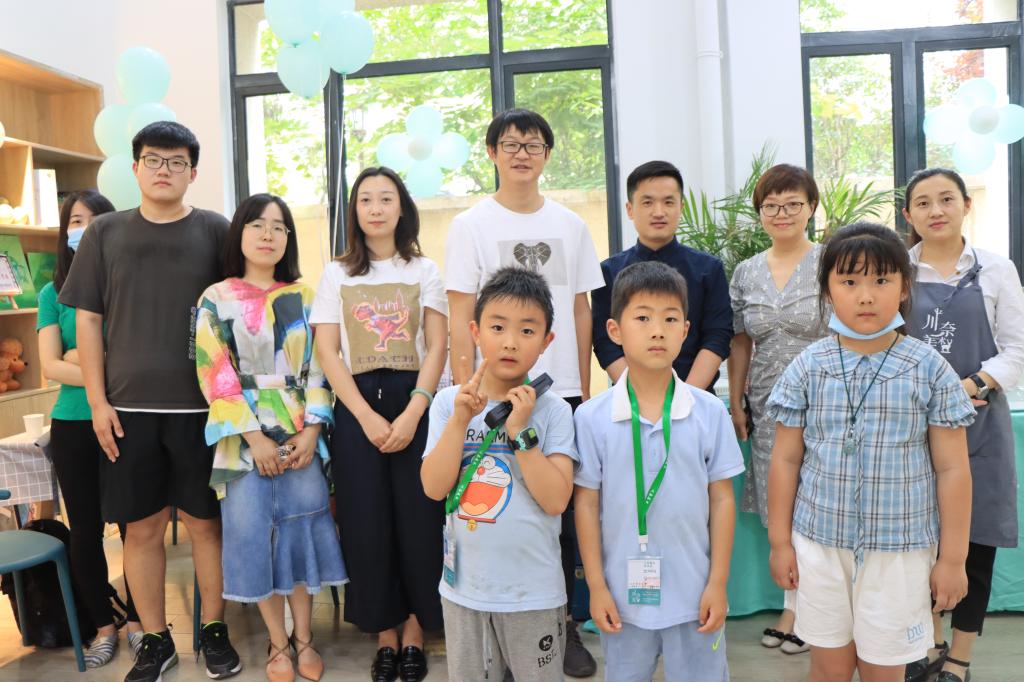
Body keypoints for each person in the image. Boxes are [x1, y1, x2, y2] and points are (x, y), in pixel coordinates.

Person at [59, 121, 242, 682]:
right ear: (135, 167)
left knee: (205, 526)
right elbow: (88, 321)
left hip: (203, 411)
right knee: (140, 529)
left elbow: (238, 310)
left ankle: (213, 631)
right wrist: (98, 402)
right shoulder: (105, 233)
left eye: (177, 161)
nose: (165, 170)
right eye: (154, 160)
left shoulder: (215, 230)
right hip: (128, 412)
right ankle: (156, 642)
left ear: (193, 171)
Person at [766, 222, 975, 682]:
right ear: (827, 291)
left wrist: (953, 559)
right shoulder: (808, 366)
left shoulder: (929, 369)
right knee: (829, 669)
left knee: (884, 671)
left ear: (904, 287)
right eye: (849, 281)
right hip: (819, 543)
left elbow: (952, 469)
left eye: (881, 280)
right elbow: (785, 460)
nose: (865, 296)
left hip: (899, 549)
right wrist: (780, 542)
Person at [444, 108, 603, 677]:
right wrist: (469, 388)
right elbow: (461, 310)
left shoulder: (571, 224)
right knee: (491, 502)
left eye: (533, 144)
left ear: (547, 155)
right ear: (492, 153)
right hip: (489, 393)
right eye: (510, 144)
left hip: (556, 392)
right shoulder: (470, 224)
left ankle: (561, 626)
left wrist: (582, 386)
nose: (521, 153)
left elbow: (581, 310)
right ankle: (492, 623)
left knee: (558, 512)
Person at [196, 194, 347, 682]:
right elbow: (215, 373)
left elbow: (323, 366)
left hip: (302, 433)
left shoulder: (306, 296)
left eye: (279, 227)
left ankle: (305, 638)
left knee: (300, 534)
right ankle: (277, 642)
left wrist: (313, 429)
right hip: (241, 439)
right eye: (258, 225)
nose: (268, 234)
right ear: (239, 233)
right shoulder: (215, 298)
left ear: (288, 239)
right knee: (252, 536)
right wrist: (254, 439)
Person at [575, 261, 745, 681]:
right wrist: (597, 587)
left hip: (695, 596)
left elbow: (723, 500)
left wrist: (718, 583)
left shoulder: (708, 412)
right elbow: (586, 504)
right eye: (643, 318)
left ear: (686, 331)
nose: (657, 331)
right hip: (621, 600)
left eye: (670, 319)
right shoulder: (593, 417)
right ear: (614, 330)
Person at [311, 167, 447, 682]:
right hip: (357, 405)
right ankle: (385, 634)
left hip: (415, 401)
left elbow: (438, 345)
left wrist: (415, 410)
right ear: (355, 211)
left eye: (385, 198)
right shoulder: (336, 273)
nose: (375, 207)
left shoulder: (424, 269)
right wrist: (364, 415)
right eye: (365, 199)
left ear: (401, 208)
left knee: (419, 519)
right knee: (366, 522)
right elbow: (328, 350)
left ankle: (415, 631)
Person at [421, 267, 577, 681]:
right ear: (475, 331)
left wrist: (521, 431)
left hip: (534, 595)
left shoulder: (555, 412)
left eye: (527, 331)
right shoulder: (448, 404)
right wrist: (460, 421)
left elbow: (556, 500)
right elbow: (434, 488)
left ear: (546, 342)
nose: (510, 341)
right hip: (464, 591)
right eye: (497, 327)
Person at [901, 168, 1024, 682]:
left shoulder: (996, 269)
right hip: (911, 429)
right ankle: (929, 644)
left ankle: (960, 658)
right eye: (923, 202)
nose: (936, 211)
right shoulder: (896, 270)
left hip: (980, 425)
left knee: (976, 547)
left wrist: (970, 385)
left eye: (946, 199)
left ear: (965, 205)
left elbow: (1017, 349)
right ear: (908, 214)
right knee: (918, 545)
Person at [37, 189, 142, 667]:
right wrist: (100, 366)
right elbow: (49, 366)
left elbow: (132, 358)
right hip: (73, 424)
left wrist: (79, 356)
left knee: (136, 525)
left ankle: (141, 622)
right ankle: (104, 626)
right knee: (85, 531)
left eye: (97, 219)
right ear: (66, 231)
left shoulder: (124, 285)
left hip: (125, 419)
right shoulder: (51, 293)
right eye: (77, 221)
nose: (87, 229)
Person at [727, 164, 828, 655]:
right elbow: (739, 341)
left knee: (820, 505)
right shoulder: (746, 271)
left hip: (826, 404)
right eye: (771, 206)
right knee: (781, 507)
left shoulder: (831, 261)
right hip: (768, 408)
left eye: (792, 204)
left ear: (811, 208)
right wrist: (736, 399)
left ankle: (809, 611)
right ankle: (795, 604)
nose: (781, 213)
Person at [592, 160, 733, 389]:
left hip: (696, 396)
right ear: (630, 209)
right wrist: (639, 394)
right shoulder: (608, 272)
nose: (659, 212)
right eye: (647, 202)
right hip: (630, 399)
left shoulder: (709, 269)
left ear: (681, 207)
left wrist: (686, 396)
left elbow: (718, 336)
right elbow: (604, 342)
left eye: (668, 202)